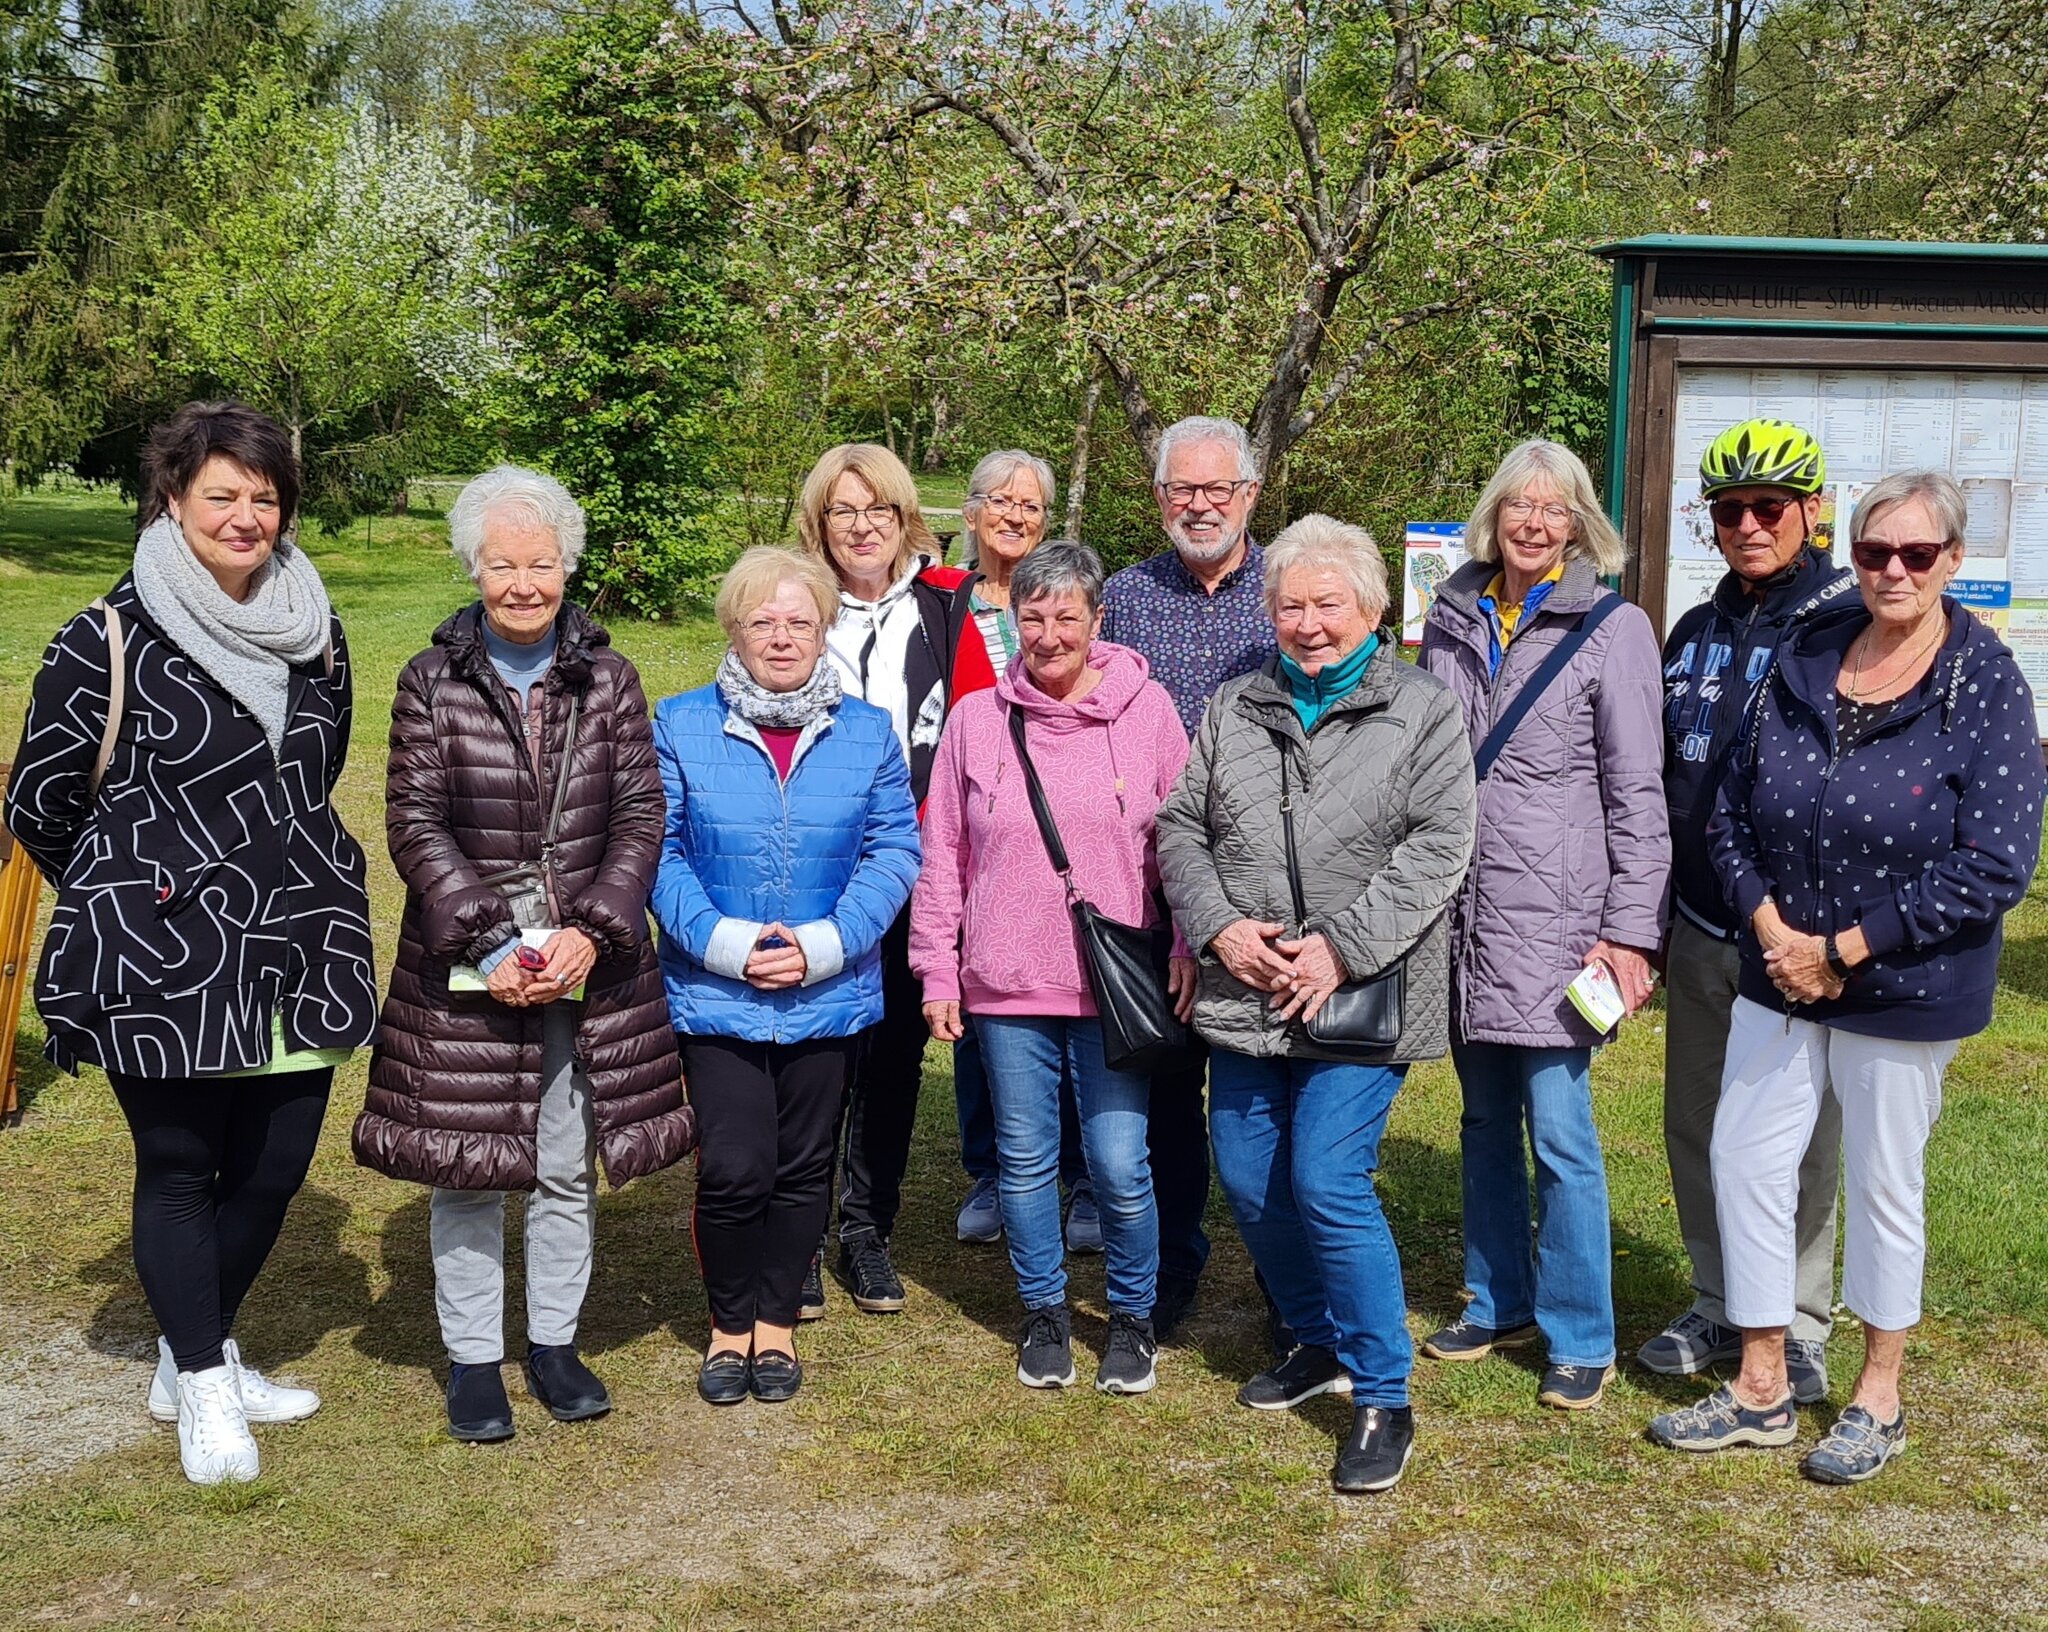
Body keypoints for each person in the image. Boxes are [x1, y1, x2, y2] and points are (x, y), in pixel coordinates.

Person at [4, 401, 376, 1485]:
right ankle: (209, 1386)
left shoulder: (317, 631)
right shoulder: (105, 636)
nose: (247, 516)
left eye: (266, 498)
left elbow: (314, 769)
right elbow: (40, 801)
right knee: (179, 1166)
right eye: (224, 494)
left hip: (301, 935)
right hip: (163, 954)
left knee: (273, 1167)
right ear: (173, 498)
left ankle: (187, 1350)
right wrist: (135, 885)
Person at [1650, 471, 2043, 1483]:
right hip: (1776, 966)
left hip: (1904, 987)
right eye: (1875, 553)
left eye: (1916, 554)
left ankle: (1877, 1396)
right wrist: (1773, 928)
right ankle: (1762, 1382)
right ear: (1852, 555)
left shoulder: (1983, 682)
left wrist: (1844, 950)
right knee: (1741, 1158)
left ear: (1952, 561)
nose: (1893, 571)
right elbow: (1728, 810)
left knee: (1878, 1186)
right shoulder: (1806, 653)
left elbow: (1995, 862)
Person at [352, 466, 693, 1443]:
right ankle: (471, 1360)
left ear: (565, 566)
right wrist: (491, 937)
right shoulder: (429, 679)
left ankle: (551, 1343)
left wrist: (593, 930)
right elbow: (414, 823)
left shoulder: (611, 676)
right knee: (466, 1168)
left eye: (539, 563)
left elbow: (639, 814)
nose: (522, 583)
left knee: (559, 1162)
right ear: (472, 566)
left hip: (586, 970)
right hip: (467, 967)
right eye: (501, 564)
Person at [1156, 515, 1475, 1494]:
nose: (1305, 622)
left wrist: (1337, 950)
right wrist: (1217, 926)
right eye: (1288, 604)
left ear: (1372, 610)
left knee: (1325, 1180)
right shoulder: (1233, 703)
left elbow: (1438, 844)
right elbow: (1178, 823)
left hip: (1359, 998)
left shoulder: (1421, 711)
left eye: (1325, 603)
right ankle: (1314, 1336)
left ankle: (1382, 1393)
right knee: (1249, 1176)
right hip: (1246, 990)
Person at [1416, 438, 1669, 1413]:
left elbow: (1636, 797)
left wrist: (1628, 934)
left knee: (1561, 1135)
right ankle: (1495, 1300)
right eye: (1516, 506)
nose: (1531, 523)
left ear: (1576, 524)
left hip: (1562, 929)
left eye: (1551, 507)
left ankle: (1579, 1334)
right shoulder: (1447, 619)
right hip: (1464, 922)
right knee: (1483, 1123)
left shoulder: (1613, 629)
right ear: (1492, 516)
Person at [911, 543, 1190, 1394]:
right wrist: (938, 970)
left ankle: (1133, 1319)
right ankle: (1045, 1311)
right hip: (1005, 980)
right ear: (1013, 622)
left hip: (1116, 988)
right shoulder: (976, 720)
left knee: (1116, 1162)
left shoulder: (1149, 714)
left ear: (1098, 621)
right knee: (1026, 1161)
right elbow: (944, 856)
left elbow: (1183, 849)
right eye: (1033, 617)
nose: (1050, 633)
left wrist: (1184, 946)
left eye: (1068, 616)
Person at [652, 547, 920, 1404]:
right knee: (734, 1167)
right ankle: (729, 1325)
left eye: (798, 621)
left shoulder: (869, 733)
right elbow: (655, 852)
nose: (780, 637)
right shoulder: (679, 724)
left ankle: (776, 1325)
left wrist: (827, 944)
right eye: (762, 621)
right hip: (716, 990)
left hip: (829, 990)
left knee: (806, 1166)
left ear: (824, 629)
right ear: (734, 627)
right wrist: (723, 942)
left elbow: (894, 850)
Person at [1643, 418, 1858, 1399]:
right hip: (1700, 922)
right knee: (1695, 1121)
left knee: (1801, 1137)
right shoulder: (1693, 629)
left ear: (1813, 511)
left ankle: (1802, 1321)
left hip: (1802, 935)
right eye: (1726, 510)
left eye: (1766, 507)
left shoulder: (1855, 627)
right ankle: (1719, 1295)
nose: (1745, 525)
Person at [1099, 415, 1279, 1340]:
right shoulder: (1125, 597)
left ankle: (1292, 1280)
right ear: (1159, 496)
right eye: (1182, 489)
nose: (1199, 505)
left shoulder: (1289, 594)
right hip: (1150, 883)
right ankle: (1172, 1265)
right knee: (1167, 1096)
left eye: (1218, 489)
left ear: (1251, 493)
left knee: (1263, 1099)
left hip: (1269, 889)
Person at [799, 443, 985, 1316]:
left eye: (878, 509)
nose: (862, 526)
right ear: (819, 524)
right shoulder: (794, 602)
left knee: (894, 1059)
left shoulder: (947, 609)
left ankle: (867, 1226)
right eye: (844, 511)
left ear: (905, 515)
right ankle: (797, 1232)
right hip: (810, 870)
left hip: (918, 871)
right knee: (808, 1053)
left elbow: (981, 737)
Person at [946, 449, 1093, 1254]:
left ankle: (1075, 1173)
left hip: (1060, 819)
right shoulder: (942, 601)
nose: (1013, 515)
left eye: (1029, 504)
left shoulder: (1059, 599)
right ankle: (993, 1168)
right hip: (974, 806)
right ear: (970, 513)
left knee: (1070, 1003)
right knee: (985, 998)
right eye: (999, 500)